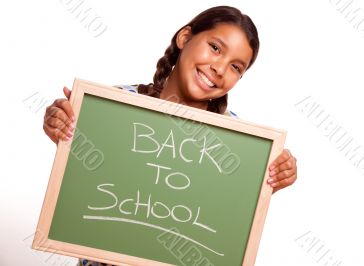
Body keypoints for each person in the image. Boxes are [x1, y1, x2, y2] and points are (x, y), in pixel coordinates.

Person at [43, 6, 297, 266]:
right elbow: (89, 180)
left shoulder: (239, 143)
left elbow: (228, 219)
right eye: (215, 48)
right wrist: (65, 127)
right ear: (185, 37)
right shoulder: (119, 104)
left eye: (235, 67)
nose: (220, 68)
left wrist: (273, 176)